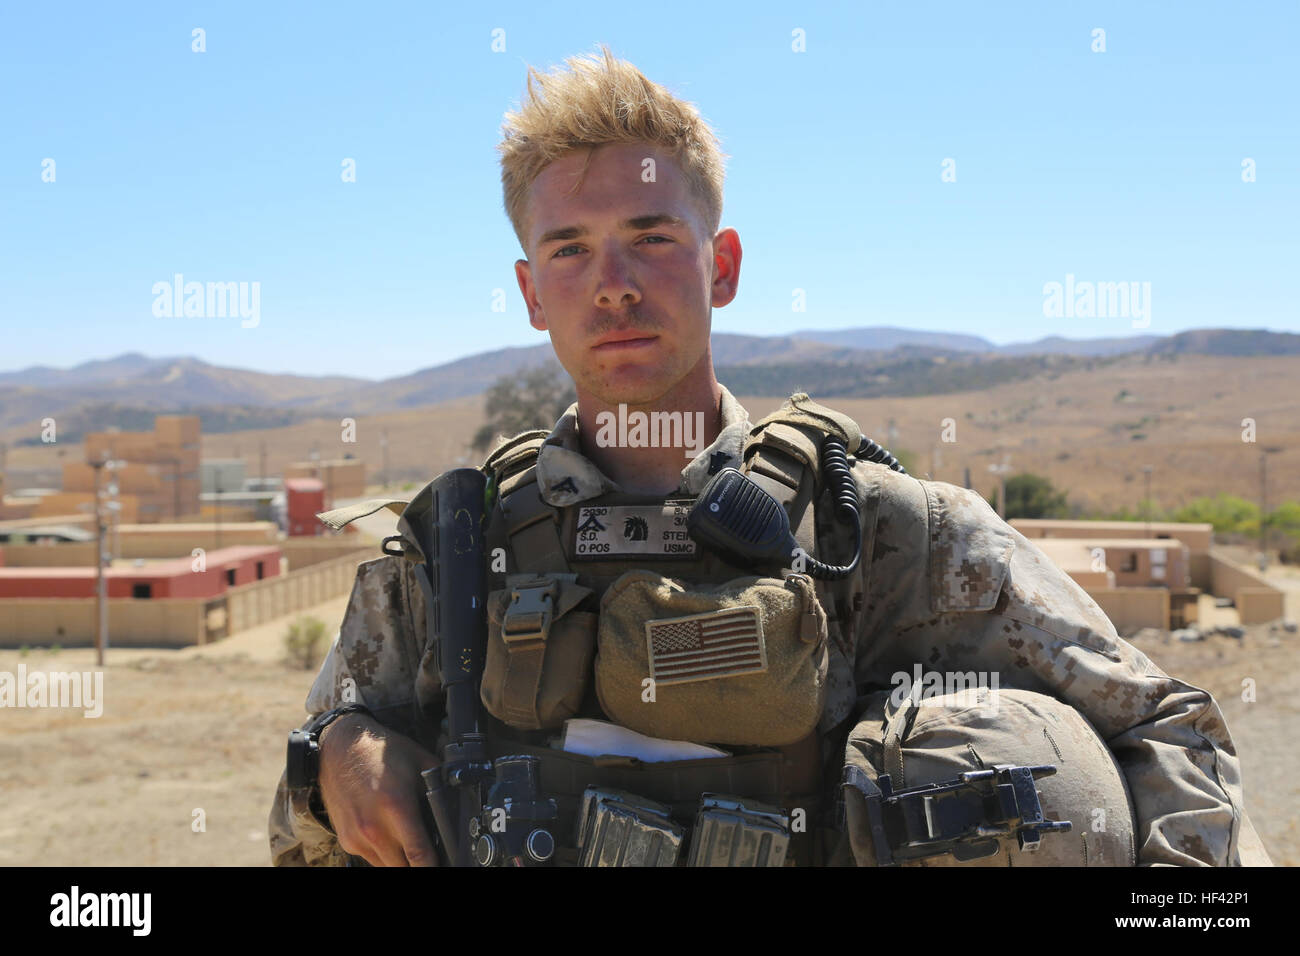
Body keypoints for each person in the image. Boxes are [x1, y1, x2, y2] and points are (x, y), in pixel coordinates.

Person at [268, 46, 1270, 867]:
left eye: (651, 236)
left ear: (725, 265)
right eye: (570, 248)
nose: (611, 283)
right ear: (532, 293)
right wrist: (335, 760)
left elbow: (1167, 727)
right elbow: (297, 819)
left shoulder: (878, 532)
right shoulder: (455, 554)